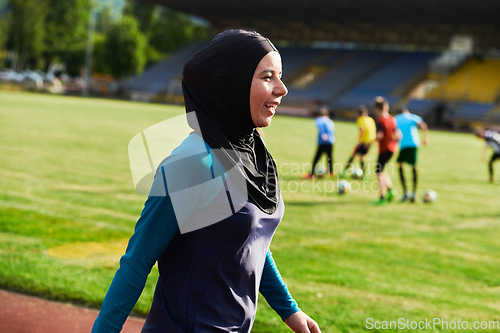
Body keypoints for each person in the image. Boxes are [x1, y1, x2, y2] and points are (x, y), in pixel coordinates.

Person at [91, 30, 321, 333]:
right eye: (268, 77)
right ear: (232, 85)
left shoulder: (255, 152)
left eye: (280, 76)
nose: (283, 88)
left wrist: (290, 310)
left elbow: (250, 245)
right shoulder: (193, 163)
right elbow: (138, 261)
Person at [395, 106, 428, 202]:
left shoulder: (396, 118)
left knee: (400, 166)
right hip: (414, 144)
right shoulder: (412, 116)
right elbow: (423, 125)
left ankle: (406, 192)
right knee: (414, 167)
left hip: (403, 145)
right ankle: (414, 193)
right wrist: (424, 138)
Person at [372, 97, 398, 205]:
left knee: (378, 173)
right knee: (382, 171)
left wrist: (370, 141)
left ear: (377, 109)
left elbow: (379, 135)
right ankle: (391, 191)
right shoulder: (392, 119)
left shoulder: (379, 120)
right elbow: (398, 135)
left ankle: (382, 197)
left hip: (384, 149)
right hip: (392, 148)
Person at [341, 105, 376, 180]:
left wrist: (358, 141)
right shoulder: (371, 119)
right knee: (362, 158)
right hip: (369, 142)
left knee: (353, 155)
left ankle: (344, 172)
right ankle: (364, 175)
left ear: (360, 114)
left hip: (363, 142)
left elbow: (362, 129)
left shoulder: (361, 119)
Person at [302, 107, 335, 179]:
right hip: (331, 141)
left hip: (322, 142)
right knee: (329, 157)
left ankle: (311, 174)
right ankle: (331, 172)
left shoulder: (319, 120)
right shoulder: (330, 121)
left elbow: (321, 129)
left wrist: (323, 134)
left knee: (316, 158)